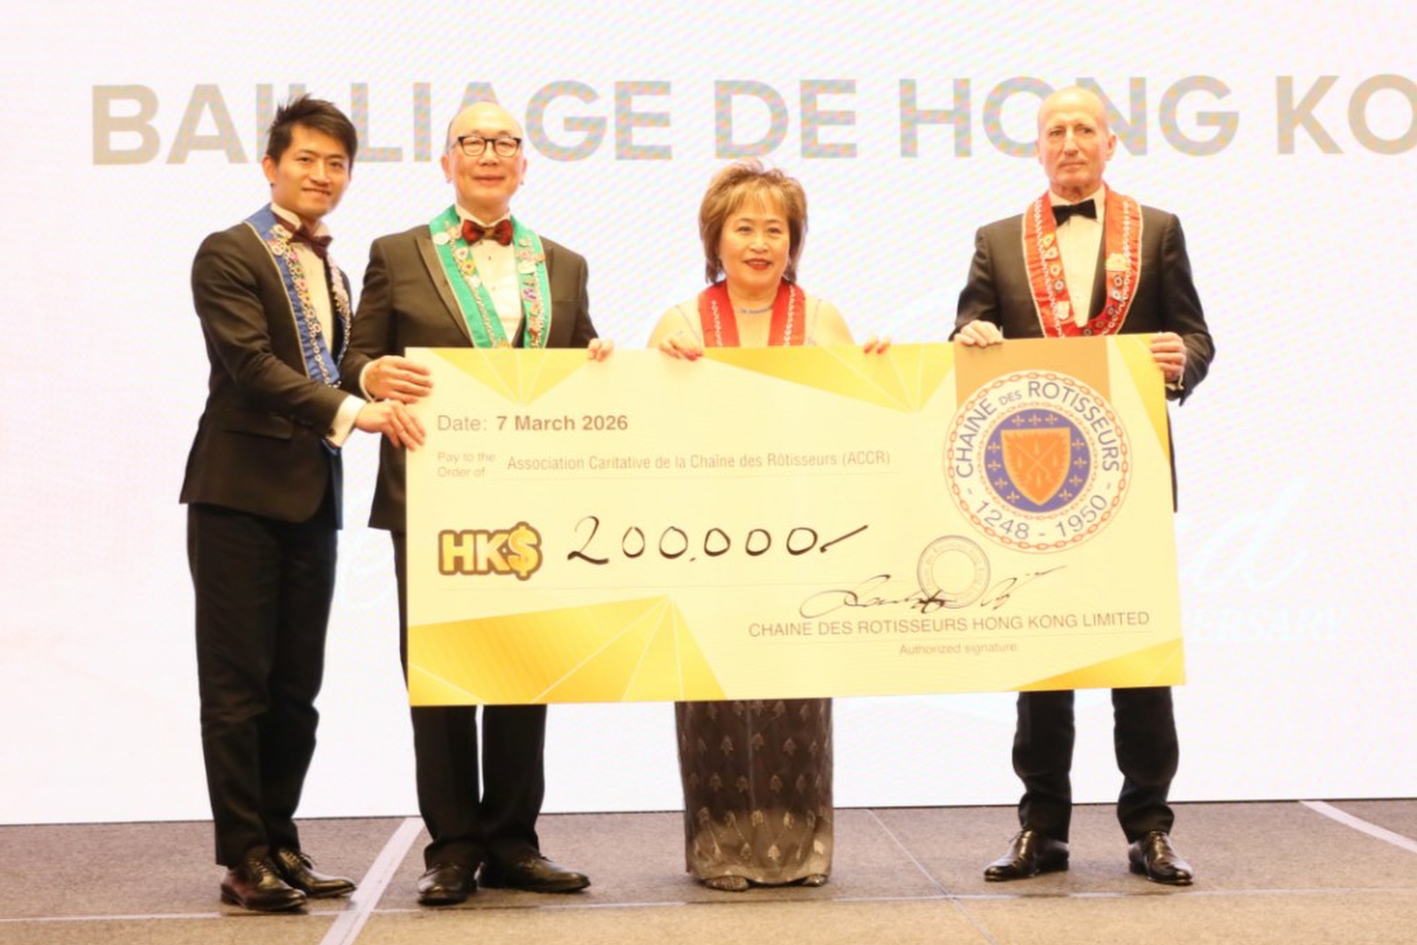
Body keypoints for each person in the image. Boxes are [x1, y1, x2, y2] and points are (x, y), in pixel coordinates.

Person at [341, 101, 609, 906]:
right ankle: (453, 844)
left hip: (531, 498)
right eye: (473, 141)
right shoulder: (397, 253)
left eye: (504, 142)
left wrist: (599, 360)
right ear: (446, 160)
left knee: (526, 663)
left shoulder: (563, 264)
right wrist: (370, 376)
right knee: (442, 671)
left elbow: (575, 368)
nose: (489, 153)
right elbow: (356, 355)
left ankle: (514, 840)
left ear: (523, 163)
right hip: (431, 493)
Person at [954, 86, 1215, 886]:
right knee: (1043, 662)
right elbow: (963, 338)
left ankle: (1150, 827)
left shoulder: (1157, 230)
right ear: (1036, 147)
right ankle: (1042, 828)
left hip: (1130, 473)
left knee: (1139, 659)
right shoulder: (997, 240)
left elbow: (1195, 335)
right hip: (1030, 482)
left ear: (1110, 141)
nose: (1068, 142)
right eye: (1054, 130)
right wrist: (971, 337)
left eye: (1083, 128)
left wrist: (1181, 359)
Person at [182, 95, 423, 912]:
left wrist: (372, 378)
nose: (322, 174)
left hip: (313, 492)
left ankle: (280, 839)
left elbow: (333, 363)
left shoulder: (333, 269)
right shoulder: (228, 251)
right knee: (237, 686)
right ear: (271, 165)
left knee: (295, 687)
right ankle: (243, 854)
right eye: (307, 159)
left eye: (336, 163)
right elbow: (251, 365)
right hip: (237, 493)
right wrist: (355, 410)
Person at [649, 160, 886, 892]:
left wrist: (878, 373)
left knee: (796, 695)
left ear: (794, 241)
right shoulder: (681, 322)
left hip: (801, 537)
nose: (759, 243)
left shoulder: (821, 319)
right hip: (705, 542)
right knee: (713, 696)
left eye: (774, 230)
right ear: (714, 239)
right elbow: (643, 426)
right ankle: (718, 849)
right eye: (743, 228)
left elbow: (860, 421)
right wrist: (656, 368)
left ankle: (801, 850)